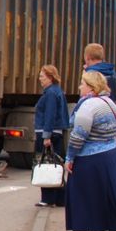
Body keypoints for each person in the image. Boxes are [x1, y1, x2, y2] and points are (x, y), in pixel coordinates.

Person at [63, 71, 116, 231]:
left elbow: (78, 136)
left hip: (89, 157)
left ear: (91, 87)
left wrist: (69, 158)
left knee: (81, 194)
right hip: (111, 153)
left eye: (82, 83)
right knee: (100, 194)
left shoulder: (88, 106)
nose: (79, 87)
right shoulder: (110, 103)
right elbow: (115, 129)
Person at [34, 64, 69, 208]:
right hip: (56, 132)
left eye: (42, 76)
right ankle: (60, 198)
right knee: (56, 165)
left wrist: (46, 136)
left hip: (49, 133)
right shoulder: (56, 91)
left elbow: (50, 115)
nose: (40, 79)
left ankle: (48, 198)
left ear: (50, 77)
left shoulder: (50, 94)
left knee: (46, 165)